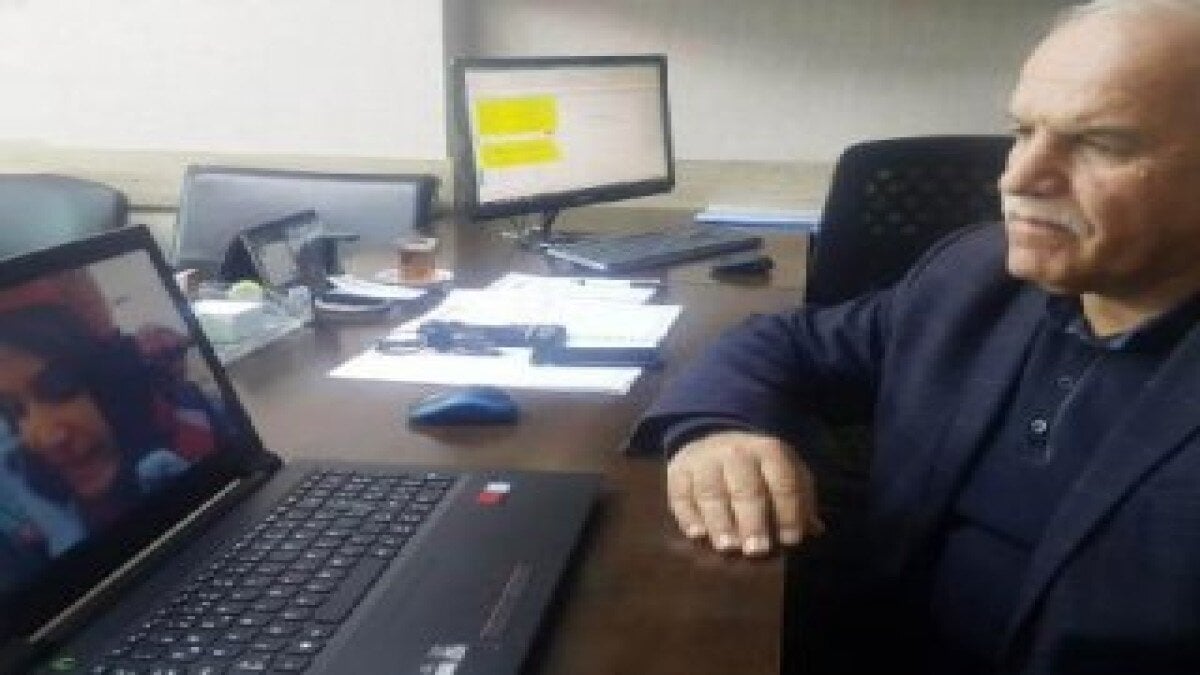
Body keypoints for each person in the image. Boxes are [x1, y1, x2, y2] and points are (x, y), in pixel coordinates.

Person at [631, 1, 1200, 672]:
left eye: (1100, 144)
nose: (1018, 178)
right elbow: (788, 342)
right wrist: (718, 428)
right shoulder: (974, 275)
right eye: (1023, 131)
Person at [0, 303, 228, 561]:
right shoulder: (32, 496)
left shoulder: (195, 415)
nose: (49, 439)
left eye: (59, 388)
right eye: (14, 411)